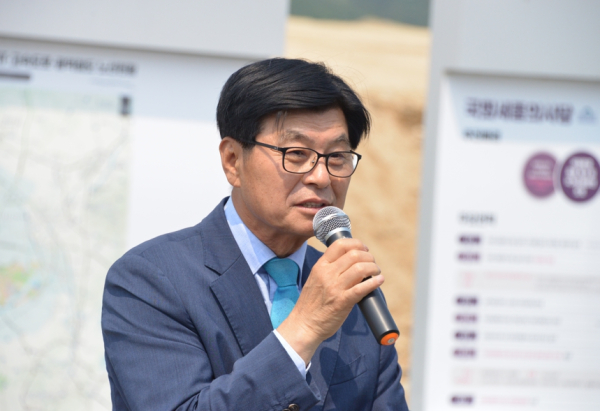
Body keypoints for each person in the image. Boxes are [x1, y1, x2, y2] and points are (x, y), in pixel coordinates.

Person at [101, 58, 409, 411]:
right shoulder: (151, 279)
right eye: (297, 154)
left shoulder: (352, 289)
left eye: (337, 156)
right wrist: (304, 329)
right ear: (233, 160)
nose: (321, 177)